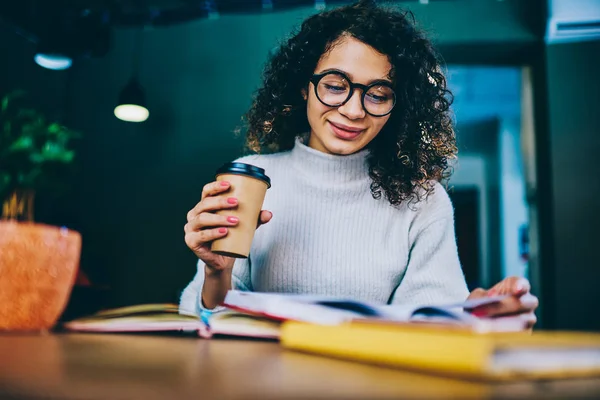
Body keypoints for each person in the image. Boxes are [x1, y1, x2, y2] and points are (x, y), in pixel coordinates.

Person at [180, 0, 538, 328]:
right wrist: (217, 274)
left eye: (378, 94)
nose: (353, 111)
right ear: (305, 86)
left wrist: (471, 319)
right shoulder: (252, 180)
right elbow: (206, 320)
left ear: (399, 105)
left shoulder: (423, 201)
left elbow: (430, 330)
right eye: (335, 86)